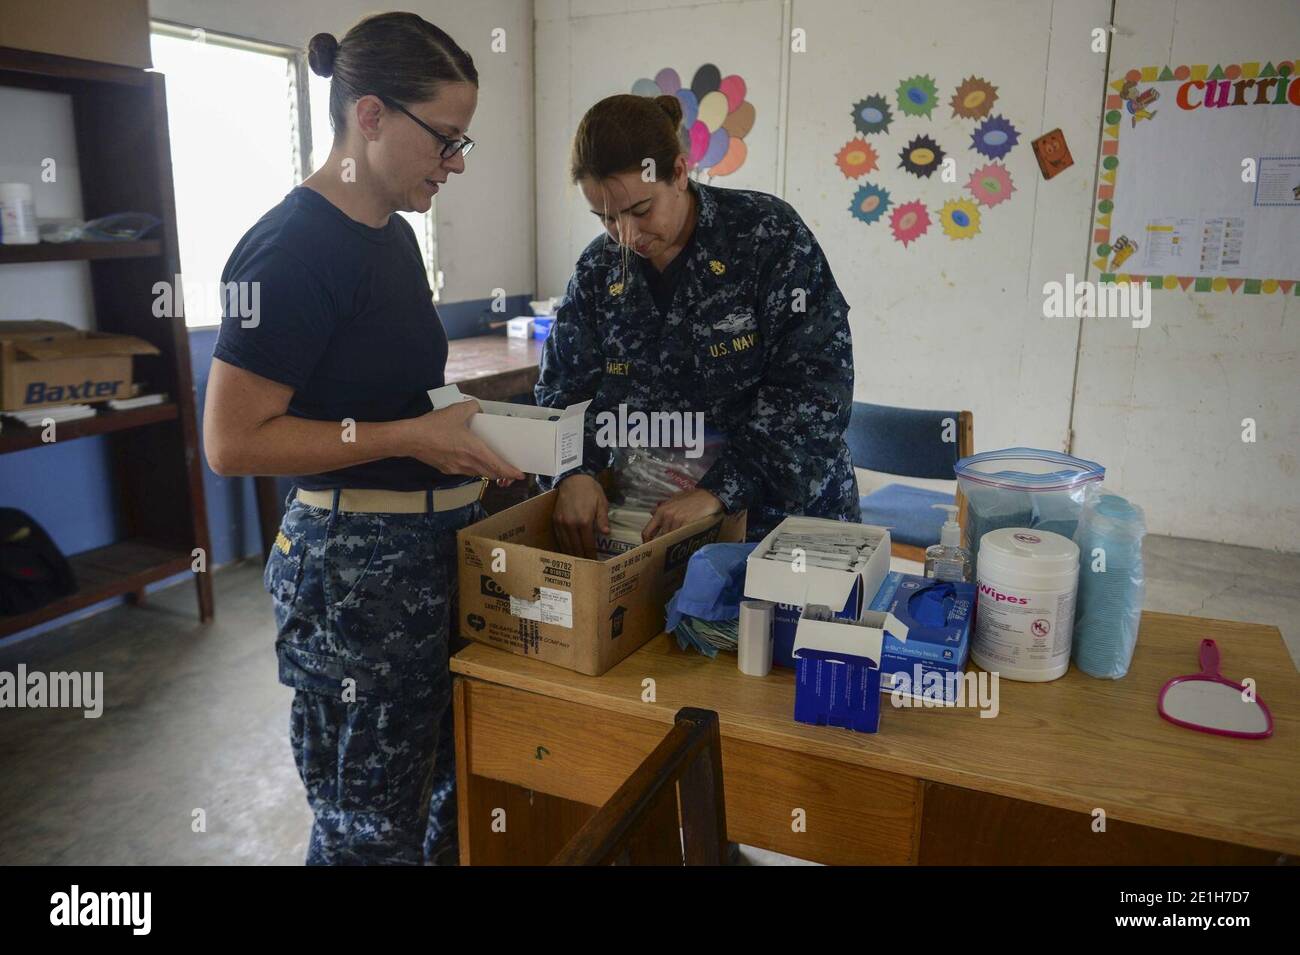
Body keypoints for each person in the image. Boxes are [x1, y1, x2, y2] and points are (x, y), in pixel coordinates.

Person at [202, 12, 523, 865]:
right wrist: (412, 435)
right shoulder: (286, 252)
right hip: (355, 582)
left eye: (464, 142)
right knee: (367, 834)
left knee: (446, 806)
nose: (453, 163)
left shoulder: (393, 238)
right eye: (445, 140)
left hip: (431, 558)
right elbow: (232, 442)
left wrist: (474, 432)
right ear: (371, 115)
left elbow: (397, 390)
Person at [536, 94, 857, 557]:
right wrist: (573, 472)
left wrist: (720, 491)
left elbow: (816, 389)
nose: (626, 236)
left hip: (780, 526)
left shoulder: (768, 236)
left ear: (680, 173)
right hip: (652, 531)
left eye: (641, 210)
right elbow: (564, 389)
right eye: (606, 217)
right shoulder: (598, 271)